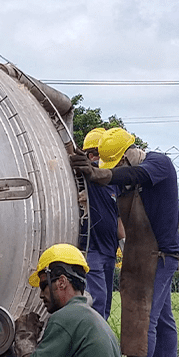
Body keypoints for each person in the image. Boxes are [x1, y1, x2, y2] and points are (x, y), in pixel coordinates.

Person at [70, 128, 179, 357]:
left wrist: (102, 174)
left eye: (116, 165)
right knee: (163, 319)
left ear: (128, 156)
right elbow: (115, 182)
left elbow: (136, 175)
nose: (114, 171)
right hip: (140, 253)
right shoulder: (125, 178)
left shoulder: (158, 164)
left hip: (160, 254)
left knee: (143, 318)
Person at [79, 128, 124, 320]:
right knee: (96, 300)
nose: (99, 160)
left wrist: (124, 245)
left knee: (105, 304)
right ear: (89, 156)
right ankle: (92, 344)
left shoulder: (113, 182)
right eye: (96, 154)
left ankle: (102, 343)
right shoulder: (86, 180)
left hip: (109, 251)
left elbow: (118, 217)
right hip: (92, 250)